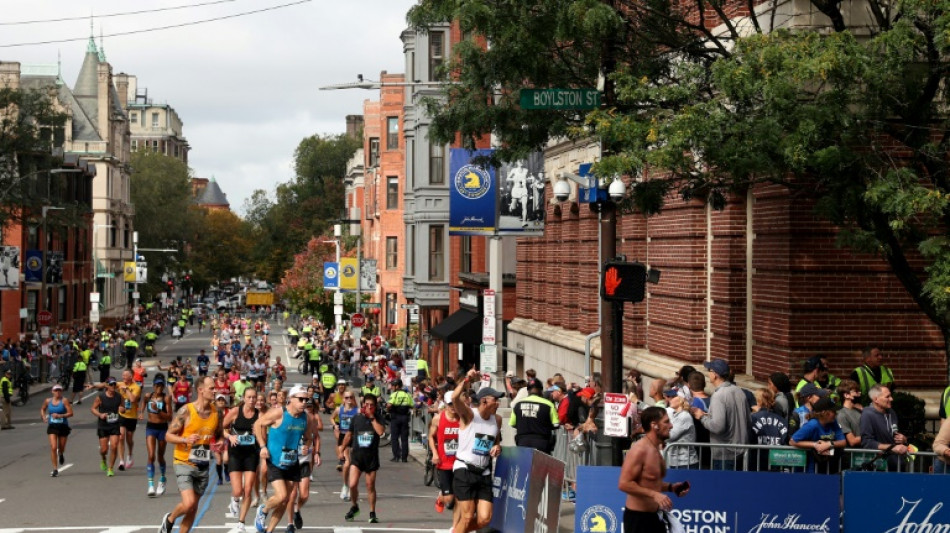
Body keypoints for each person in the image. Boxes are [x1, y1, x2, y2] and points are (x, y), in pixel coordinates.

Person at [157, 376, 224, 533]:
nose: (215, 391)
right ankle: (169, 519)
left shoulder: (217, 413)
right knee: (188, 503)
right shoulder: (186, 411)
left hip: (202, 464)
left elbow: (220, 434)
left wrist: (220, 441)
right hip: (183, 462)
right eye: (211, 388)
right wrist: (185, 439)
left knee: (193, 508)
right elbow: (168, 435)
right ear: (200, 390)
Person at [253, 385, 316, 533]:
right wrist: (262, 446)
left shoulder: (306, 418)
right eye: (301, 399)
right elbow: (258, 424)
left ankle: (269, 531)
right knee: (281, 496)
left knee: (286, 500)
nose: (304, 402)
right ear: (291, 399)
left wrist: (307, 445)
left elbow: (308, 438)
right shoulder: (279, 413)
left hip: (292, 461)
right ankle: (264, 509)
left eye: (306, 399)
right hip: (275, 460)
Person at [617, 406, 691, 533]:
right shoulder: (640, 450)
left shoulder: (655, 448)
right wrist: (654, 495)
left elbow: (649, 482)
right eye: (666, 422)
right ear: (654, 425)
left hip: (654, 517)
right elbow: (624, 484)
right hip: (638, 520)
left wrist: (670, 487)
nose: (671, 426)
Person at [451, 369, 504, 533]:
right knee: (466, 517)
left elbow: (496, 442)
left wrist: (497, 447)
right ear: (484, 401)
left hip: (484, 473)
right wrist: (467, 379)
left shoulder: (497, 420)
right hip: (465, 469)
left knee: (484, 519)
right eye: (495, 400)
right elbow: (454, 398)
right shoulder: (469, 415)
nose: (498, 403)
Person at [691, 359, 750, 470]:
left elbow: (718, 427)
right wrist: (708, 416)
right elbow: (746, 420)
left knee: (724, 486)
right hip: (741, 452)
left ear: (715, 375)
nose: (708, 373)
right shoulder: (739, 391)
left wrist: (702, 416)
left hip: (725, 455)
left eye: (709, 370)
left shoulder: (719, 396)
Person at [341, 393, 386, 524]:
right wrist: (342, 448)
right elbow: (349, 434)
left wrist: (372, 419)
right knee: (353, 484)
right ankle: (354, 506)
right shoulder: (356, 418)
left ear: (375, 407)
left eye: (372, 405)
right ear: (363, 405)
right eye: (367, 405)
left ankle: (372, 512)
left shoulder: (378, 418)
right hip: (357, 457)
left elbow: (381, 432)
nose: (369, 407)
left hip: (371, 458)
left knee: (370, 485)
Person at [223, 386, 261, 532]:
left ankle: (241, 523)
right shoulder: (235, 412)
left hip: (251, 454)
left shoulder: (259, 414)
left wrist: (258, 433)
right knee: (238, 490)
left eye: (254, 397)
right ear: (244, 398)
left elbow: (265, 433)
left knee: (248, 488)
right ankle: (234, 499)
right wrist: (230, 436)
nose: (252, 400)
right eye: (249, 397)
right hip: (236, 454)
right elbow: (221, 427)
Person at [285, 393, 323, 533]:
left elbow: (316, 438)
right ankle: (290, 524)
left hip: (304, 460)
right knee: (292, 494)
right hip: (290, 460)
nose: (304, 405)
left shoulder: (309, 419)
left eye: (307, 403)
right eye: (302, 401)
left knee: (305, 495)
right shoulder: (286, 417)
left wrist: (316, 452)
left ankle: (297, 509)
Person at [860, 384, 910, 471]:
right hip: (879, 467)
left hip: (897, 465)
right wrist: (892, 447)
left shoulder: (892, 412)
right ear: (876, 399)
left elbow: (894, 434)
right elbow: (867, 442)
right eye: (887, 397)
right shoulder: (867, 414)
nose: (891, 399)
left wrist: (903, 439)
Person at [790, 397, 846, 474]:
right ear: (824, 412)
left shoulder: (833, 422)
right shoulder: (813, 424)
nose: (836, 414)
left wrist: (829, 444)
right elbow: (792, 441)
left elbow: (843, 442)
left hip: (826, 468)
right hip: (810, 469)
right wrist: (815, 445)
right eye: (833, 411)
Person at [429, 390, 460, 516]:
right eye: (450, 404)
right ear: (446, 404)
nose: (453, 407)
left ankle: (456, 525)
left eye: (455, 404)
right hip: (444, 462)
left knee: (459, 498)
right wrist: (435, 454)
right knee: (449, 499)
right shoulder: (438, 419)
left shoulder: (463, 418)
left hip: (460, 463)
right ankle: (441, 497)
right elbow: (431, 437)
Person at [510, 378, 559, 453]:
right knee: (541, 464)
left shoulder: (518, 404)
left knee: (524, 464)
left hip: (523, 442)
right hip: (542, 443)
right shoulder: (548, 404)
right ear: (541, 390)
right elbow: (556, 424)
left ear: (528, 391)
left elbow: (512, 423)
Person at [144, 374, 173, 497]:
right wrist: (140, 413)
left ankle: (162, 479)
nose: (159, 388)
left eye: (161, 385)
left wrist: (159, 411)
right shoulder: (148, 396)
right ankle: (150, 485)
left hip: (162, 428)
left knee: (160, 456)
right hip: (150, 428)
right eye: (157, 385)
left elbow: (170, 417)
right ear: (154, 385)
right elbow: (142, 404)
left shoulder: (166, 399)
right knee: (151, 455)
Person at [748, 388, 789, 471]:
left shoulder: (752, 418)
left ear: (758, 401)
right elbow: (785, 440)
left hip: (756, 462)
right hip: (776, 462)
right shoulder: (782, 420)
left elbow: (748, 438)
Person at [91, 376, 122, 476]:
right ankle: (103, 459)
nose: (113, 386)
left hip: (115, 424)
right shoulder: (101, 397)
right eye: (111, 384)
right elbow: (93, 409)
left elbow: (123, 407)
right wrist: (100, 415)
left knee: (114, 446)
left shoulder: (119, 396)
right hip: (103, 425)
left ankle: (110, 468)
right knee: (104, 450)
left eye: (114, 384)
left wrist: (122, 409)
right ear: (107, 386)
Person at [40, 384, 73, 477]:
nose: (57, 392)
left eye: (59, 391)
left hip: (63, 426)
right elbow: (43, 409)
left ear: (61, 392)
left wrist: (60, 416)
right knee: (53, 447)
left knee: (61, 447)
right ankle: (55, 468)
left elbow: (71, 413)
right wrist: (43, 417)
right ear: (52, 391)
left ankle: (61, 453)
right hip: (52, 426)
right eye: (56, 391)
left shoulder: (64, 401)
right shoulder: (48, 401)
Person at [334, 389, 359, 500]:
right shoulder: (339, 409)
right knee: (347, 463)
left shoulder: (357, 411)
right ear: (343, 399)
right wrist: (335, 425)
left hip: (354, 437)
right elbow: (331, 418)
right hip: (343, 436)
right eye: (347, 397)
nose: (349, 400)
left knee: (354, 464)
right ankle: (345, 486)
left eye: (351, 397)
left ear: (354, 399)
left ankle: (351, 486)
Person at [665, 388, 698, 469]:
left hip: (685, 463)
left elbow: (670, 436)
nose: (669, 399)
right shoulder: (676, 415)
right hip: (676, 462)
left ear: (681, 399)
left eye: (673, 397)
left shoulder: (684, 416)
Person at [117, 369, 142, 471]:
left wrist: (126, 389)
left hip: (132, 416)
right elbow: (107, 385)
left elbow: (132, 400)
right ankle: (121, 461)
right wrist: (94, 386)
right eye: (123, 375)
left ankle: (130, 454)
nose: (123, 377)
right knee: (121, 437)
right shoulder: (120, 384)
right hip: (122, 415)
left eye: (125, 375)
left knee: (129, 438)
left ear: (131, 376)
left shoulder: (136, 387)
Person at [387, 379, 413, 462]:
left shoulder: (394, 394)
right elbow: (412, 405)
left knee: (394, 438)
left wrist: (388, 409)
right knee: (404, 438)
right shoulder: (407, 395)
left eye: (393, 386)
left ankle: (396, 456)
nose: (392, 387)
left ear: (397, 386)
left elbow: (389, 404)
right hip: (405, 417)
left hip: (395, 417)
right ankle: (404, 458)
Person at [836, 379, 863, 448]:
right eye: (856, 392)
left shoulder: (860, 411)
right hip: (852, 456)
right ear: (846, 395)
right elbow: (852, 441)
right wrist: (871, 438)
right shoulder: (841, 415)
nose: (859, 393)